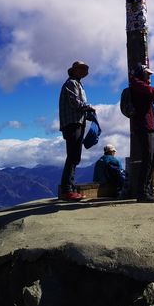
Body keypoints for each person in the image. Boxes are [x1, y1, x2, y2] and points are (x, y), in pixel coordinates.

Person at [129, 63, 154, 203]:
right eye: (147, 74)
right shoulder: (138, 85)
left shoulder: (138, 85)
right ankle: (143, 193)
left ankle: (145, 191)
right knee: (148, 159)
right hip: (144, 126)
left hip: (145, 125)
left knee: (150, 159)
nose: (149, 76)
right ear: (141, 73)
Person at [58, 60, 93, 201]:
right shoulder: (71, 83)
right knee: (73, 155)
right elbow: (75, 103)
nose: (82, 71)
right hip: (72, 123)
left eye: (83, 69)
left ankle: (70, 188)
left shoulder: (78, 84)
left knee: (75, 155)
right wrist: (89, 107)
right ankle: (67, 189)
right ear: (73, 71)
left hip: (77, 122)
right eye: (79, 69)